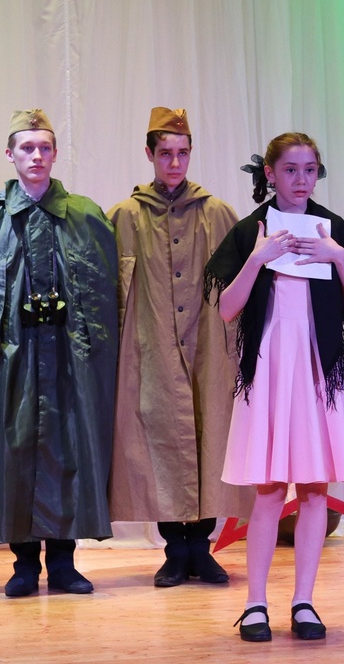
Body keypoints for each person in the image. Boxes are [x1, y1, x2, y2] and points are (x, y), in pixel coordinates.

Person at [204, 132, 344, 642]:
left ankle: (304, 601)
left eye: (310, 170)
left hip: (320, 368)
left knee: (316, 489)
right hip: (272, 366)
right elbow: (227, 309)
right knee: (270, 490)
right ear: (271, 174)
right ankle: (255, 604)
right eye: (290, 170)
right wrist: (258, 258)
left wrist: (336, 255)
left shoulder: (331, 228)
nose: (301, 180)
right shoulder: (251, 230)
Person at [0, 108, 118, 597]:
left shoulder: (85, 216)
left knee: (67, 447)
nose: (37, 156)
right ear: (10, 154)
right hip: (13, 356)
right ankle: (24, 564)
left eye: (45, 147)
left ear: (55, 153)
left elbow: (104, 294)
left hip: (67, 357)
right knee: (15, 448)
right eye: (27, 147)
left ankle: (64, 563)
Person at [107, 107, 251, 588]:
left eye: (182, 153)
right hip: (150, 349)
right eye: (165, 153)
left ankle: (202, 549)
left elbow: (248, 285)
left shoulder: (218, 214)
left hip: (212, 348)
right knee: (159, 441)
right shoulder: (124, 217)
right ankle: (175, 550)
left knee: (213, 437)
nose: (174, 163)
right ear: (149, 154)